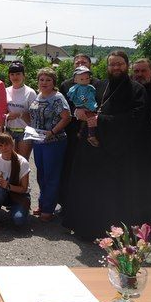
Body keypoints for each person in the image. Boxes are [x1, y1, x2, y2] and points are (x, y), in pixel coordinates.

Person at [62, 51, 146, 241]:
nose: (116, 68)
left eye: (120, 64)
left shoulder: (136, 89)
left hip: (118, 150)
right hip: (92, 147)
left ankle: (113, 234)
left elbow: (135, 118)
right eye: (112, 64)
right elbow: (86, 106)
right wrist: (79, 112)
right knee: (90, 189)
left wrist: (102, 120)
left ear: (127, 65)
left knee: (113, 193)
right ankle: (87, 229)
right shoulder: (99, 86)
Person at [29, 68, 71, 221]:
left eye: (48, 80)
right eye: (41, 79)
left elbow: (66, 117)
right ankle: (42, 204)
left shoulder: (57, 97)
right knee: (41, 174)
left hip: (54, 142)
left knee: (51, 175)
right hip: (38, 141)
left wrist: (52, 132)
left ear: (54, 82)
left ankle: (48, 208)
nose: (44, 82)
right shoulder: (38, 95)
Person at [59, 53, 96, 214]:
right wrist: (76, 112)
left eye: (84, 62)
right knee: (69, 168)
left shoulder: (97, 84)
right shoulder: (66, 85)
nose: (81, 64)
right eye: (77, 62)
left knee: (89, 170)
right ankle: (66, 204)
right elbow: (63, 105)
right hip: (71, 131)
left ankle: (88, 205)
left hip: (92, 131)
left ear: (90, 65)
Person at [130, 58, 151, 226]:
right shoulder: (128, 90)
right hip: (131, 146)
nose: (139, 74)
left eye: (143, 71)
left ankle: (150, 220)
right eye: (136, 71)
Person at [0, 133, 31, 228]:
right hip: (2, 194)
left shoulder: (22, 162)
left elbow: (24, 189)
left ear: (12, 144)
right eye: (1, 145)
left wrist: (8, 186)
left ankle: (18, 208)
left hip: (19, 196)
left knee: (18, 221)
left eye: (6, 144)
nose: (4, 148)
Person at [5, 61, 36, 159]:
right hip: (9, 131)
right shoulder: (5, 91)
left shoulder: (30, 93)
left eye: (18, 74)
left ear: (24, 75)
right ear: (9, 76)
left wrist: (20, 114)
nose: (15, 77)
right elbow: (1, 112)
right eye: (12, 74)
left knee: (22, 162)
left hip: (25, 132)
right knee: (10, 162)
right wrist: (6, 116)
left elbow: (34, 117)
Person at [66, 66, 98, 147]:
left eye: (87, 78)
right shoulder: (79, 89)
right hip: (83, 107)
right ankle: (91, 135)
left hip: (87, 106)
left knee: (87, 120)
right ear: (75, 80)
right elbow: (83, 98)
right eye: (82, 79)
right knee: (91, 118)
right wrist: (91, 106)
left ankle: (82, 132)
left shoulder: (89, 87)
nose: (85, 80)